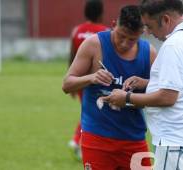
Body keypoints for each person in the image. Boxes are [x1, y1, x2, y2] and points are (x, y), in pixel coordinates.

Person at [104, 0, 183, 169]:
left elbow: (167, 97)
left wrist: (126, 97)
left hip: (177, 143)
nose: (148, 32)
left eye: (149, 26)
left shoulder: (174, 44)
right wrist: (150, 83)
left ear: (165, 20)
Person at [62, 5, 156, 170]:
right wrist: (92, 77)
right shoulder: (93, 45)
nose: (125, 43)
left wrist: (145, 83)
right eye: (121, 35)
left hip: (134, 140)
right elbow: (67, 84)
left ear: (141, 34)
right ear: (114, 24)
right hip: (97, 139)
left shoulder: (149, 53)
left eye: (132, 39)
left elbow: (162, 94)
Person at [67, 0, 109, 161]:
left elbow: (71, 57)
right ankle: (78, 141)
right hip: (95, 80)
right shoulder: (105, 32)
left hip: (78, 79)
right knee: (93, 113)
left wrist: (70, 78)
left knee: (89, 111)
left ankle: (79, 142)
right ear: (101, 13)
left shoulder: (77, 31)